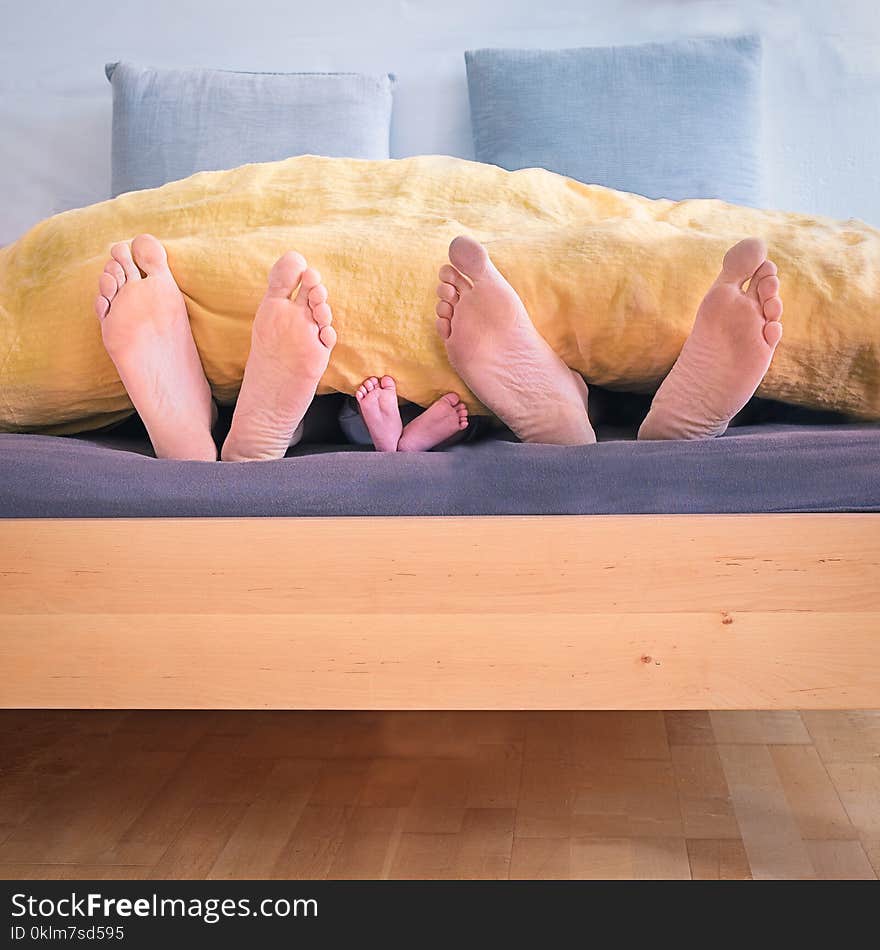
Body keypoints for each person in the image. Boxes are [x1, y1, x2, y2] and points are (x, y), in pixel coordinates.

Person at [94, 232, 782, 460]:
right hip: (442, 411)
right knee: (591, 392)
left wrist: (402, 441)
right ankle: (586, 409)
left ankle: (204, 432)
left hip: (369, 414)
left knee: (330, 395)